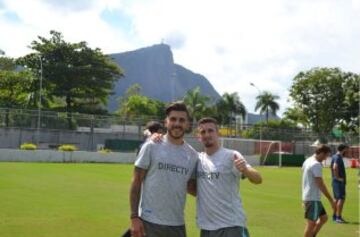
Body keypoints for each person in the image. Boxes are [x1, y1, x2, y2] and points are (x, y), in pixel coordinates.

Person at [129, 101, 198, 237]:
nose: (177, 123)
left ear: (187, 124)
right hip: (149, 222)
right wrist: (134, 217)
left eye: (181, 120)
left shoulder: (192, 155)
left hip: (177, 225)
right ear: (166, 122)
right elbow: (136, 180)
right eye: (173, 119)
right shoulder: (152, 146)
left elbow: (191, 188)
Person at [191, 117, 262, 237]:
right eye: (203, 132)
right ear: (199, 136)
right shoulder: (198, 159)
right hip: (206, 228)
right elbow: (194, 190)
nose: (207, 134)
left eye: (210, 130)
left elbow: (258, 179)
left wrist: (245, 169)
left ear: (218, 133)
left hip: (231, 226)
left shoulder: (231, 155)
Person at [302, 144, 335, 237]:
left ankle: (313, 235)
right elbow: (320, 184)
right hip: (313, 198)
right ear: (321, 153)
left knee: (324, 218)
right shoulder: (316, 164)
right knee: (311, 224)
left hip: (310, 197)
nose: (326, 158)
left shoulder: (308, 160)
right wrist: (331, 200)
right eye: (326, 155)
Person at [330, 144, 349, 223]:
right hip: (338, 182)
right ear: (344, 149)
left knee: (336, 199)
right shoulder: (338, 157)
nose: (347, 151)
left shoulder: (334, 156)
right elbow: (335, 167)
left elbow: (332, 167)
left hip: (335, 182)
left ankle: (335, 216)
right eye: (347, 149)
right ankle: (338, 217)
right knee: (341, 199)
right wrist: (338, 178)